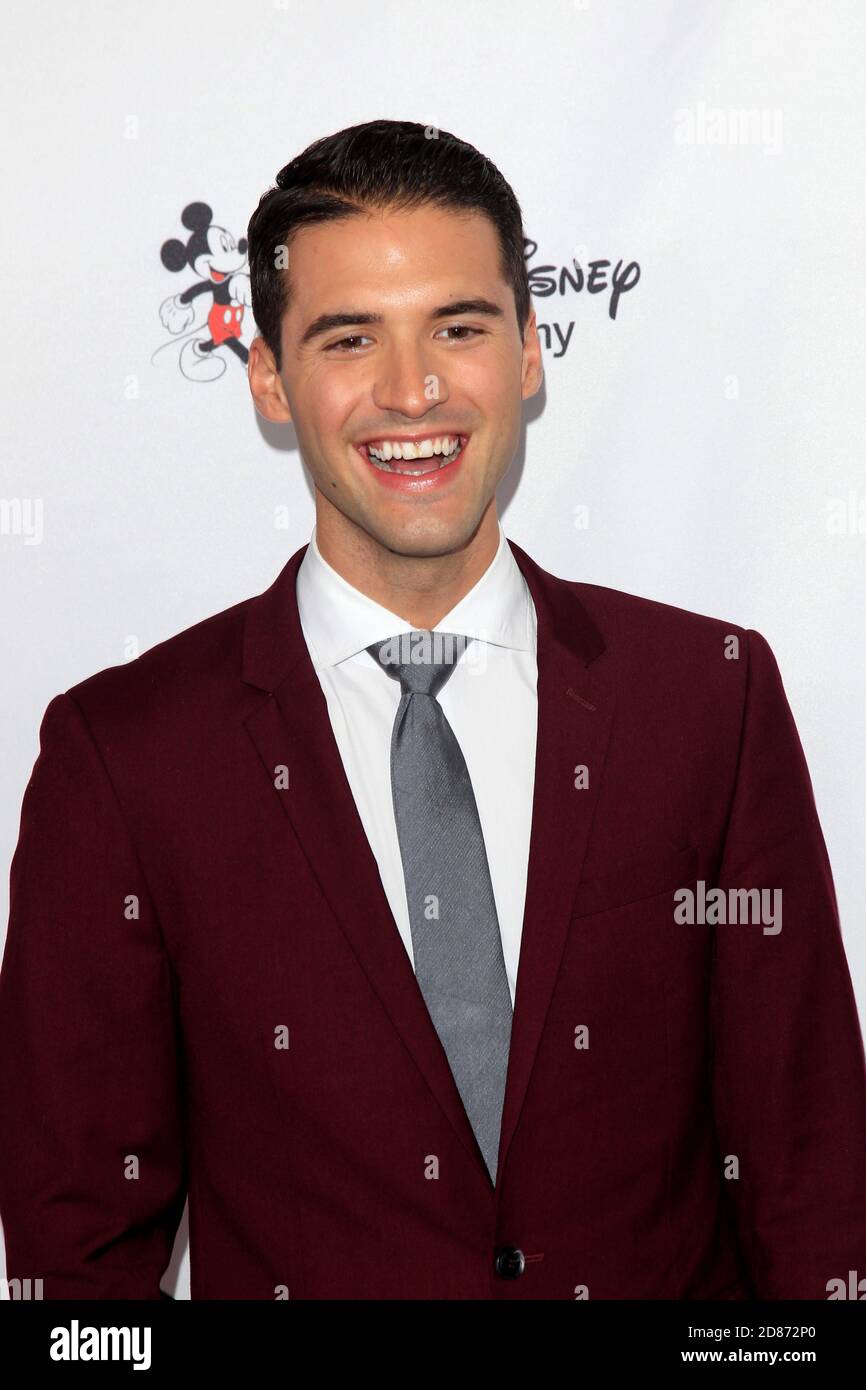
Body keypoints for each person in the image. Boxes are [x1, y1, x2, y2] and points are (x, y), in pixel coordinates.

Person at [1, 119, 864, 1301]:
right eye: (349, 337)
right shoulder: (127, 756)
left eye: (458, 327)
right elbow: (75, 1251)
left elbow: (809, 1167)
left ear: (526, 352)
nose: (412, 389)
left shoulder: (705, 696)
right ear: (266, 375)